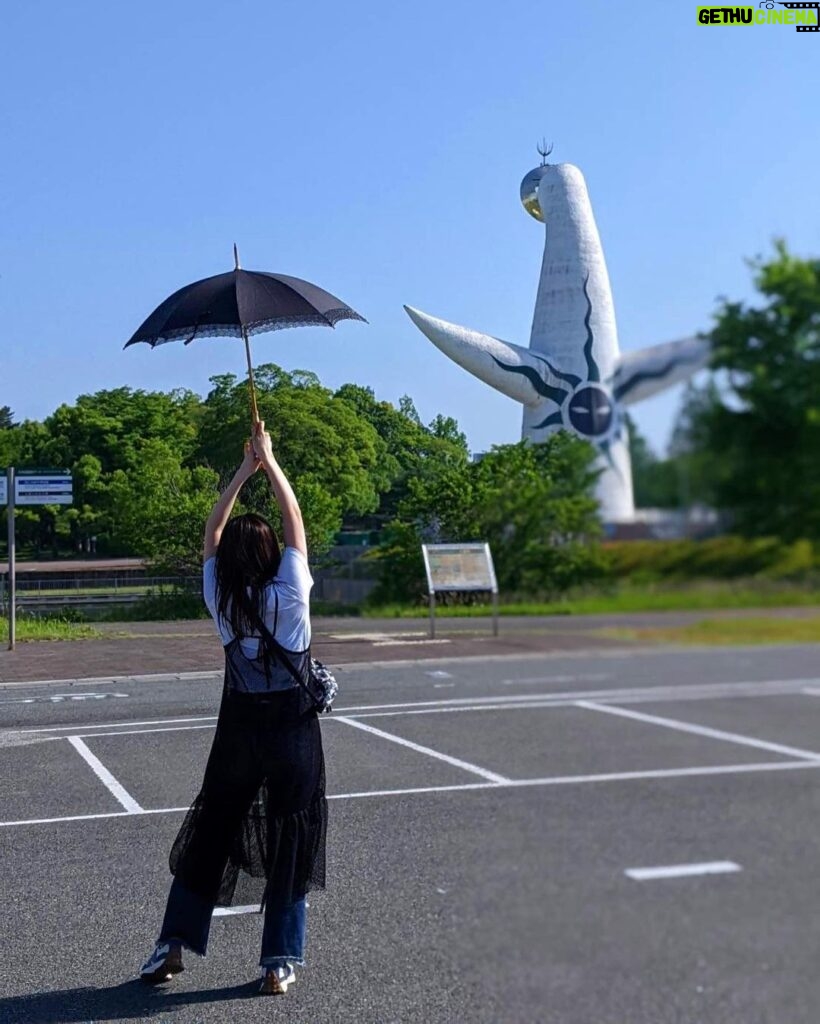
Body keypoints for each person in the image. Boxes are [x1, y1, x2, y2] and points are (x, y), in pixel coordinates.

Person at [139, 420, 327, 996]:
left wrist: (243, 470)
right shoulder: (289, 593)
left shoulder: (222, 597)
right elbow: (295, 524)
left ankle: (171, 945)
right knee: (290, 839)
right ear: (272, 554)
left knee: (212, 833)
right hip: (292, 734)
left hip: (238, 733)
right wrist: (270, 462)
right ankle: (277, 962)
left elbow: (211, 530)